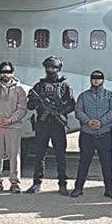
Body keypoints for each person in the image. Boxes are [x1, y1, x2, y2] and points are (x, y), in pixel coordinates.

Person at [25, 56, 76, 195]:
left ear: (58, 69)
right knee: (39, 155)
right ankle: (36, 183)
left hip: (57, 125)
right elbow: (30, 106)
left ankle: (62, 184)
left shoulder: (64, 86)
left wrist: (59, 112)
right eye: (49, 67)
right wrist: (35, 101)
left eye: (54, 68)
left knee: (60, 156)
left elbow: (72, 104)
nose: (51, 70)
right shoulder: (38, 86)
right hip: (42, 124)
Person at [71, 70, 112, 199]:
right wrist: (88, 121)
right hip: (87, 135)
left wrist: (101, 122)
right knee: (84, 162)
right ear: (91, 80)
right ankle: (78, 188)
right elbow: (78, 111)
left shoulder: (110, 95)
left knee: (107, 163)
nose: (96, 80)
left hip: (104, 135)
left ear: (103, 80)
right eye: (94, 78)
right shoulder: (84, 96)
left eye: (98, 78)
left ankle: (109, 189)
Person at [0, 61, 28, 194]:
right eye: (3, 72)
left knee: (14, 155)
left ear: (12, 73)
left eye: (8, 72)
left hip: (13, 127)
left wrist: (10, 120)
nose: (5, 74)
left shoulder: (19, 90)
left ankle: (15, 182)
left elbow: (22, 108)